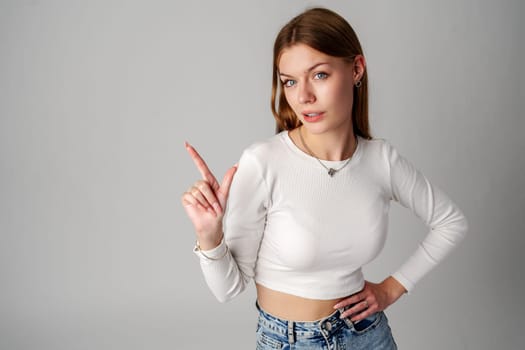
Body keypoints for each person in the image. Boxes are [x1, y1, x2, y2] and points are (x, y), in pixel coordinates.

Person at [181, 7, 468, 349]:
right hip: (289, 340)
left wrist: (392, 288)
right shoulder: (263, 162)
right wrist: (209, 234)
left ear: (356, 69)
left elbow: (452, 222)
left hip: (368, 336)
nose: (303, 96)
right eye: (289, 81)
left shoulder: (380, 160)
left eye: (319, 75)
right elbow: (227, 290)